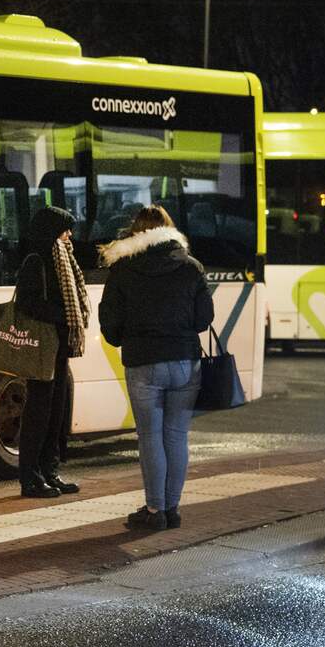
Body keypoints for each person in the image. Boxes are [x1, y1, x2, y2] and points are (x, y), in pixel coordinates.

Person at [98, 205, 214, 530]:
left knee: (150, 437)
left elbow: (110, 324)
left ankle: (154, 511)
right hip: (185, 362)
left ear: (136, 232)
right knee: (176, 436)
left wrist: (127, 336)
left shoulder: (122, 269)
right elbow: (204, 319)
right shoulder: (191, 267)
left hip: (144, 361)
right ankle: (172, 508)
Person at [14, 207, 90, 498]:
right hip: (43, 345)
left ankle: (50, 472)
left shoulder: (63, 260)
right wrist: (62, 316)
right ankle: (31, 478)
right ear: (51, 230)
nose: (69, 235)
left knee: (56, 412)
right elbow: (27, 303)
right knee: (39, 412)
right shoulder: (37, 260)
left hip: (60, 346)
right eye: (65, 229)